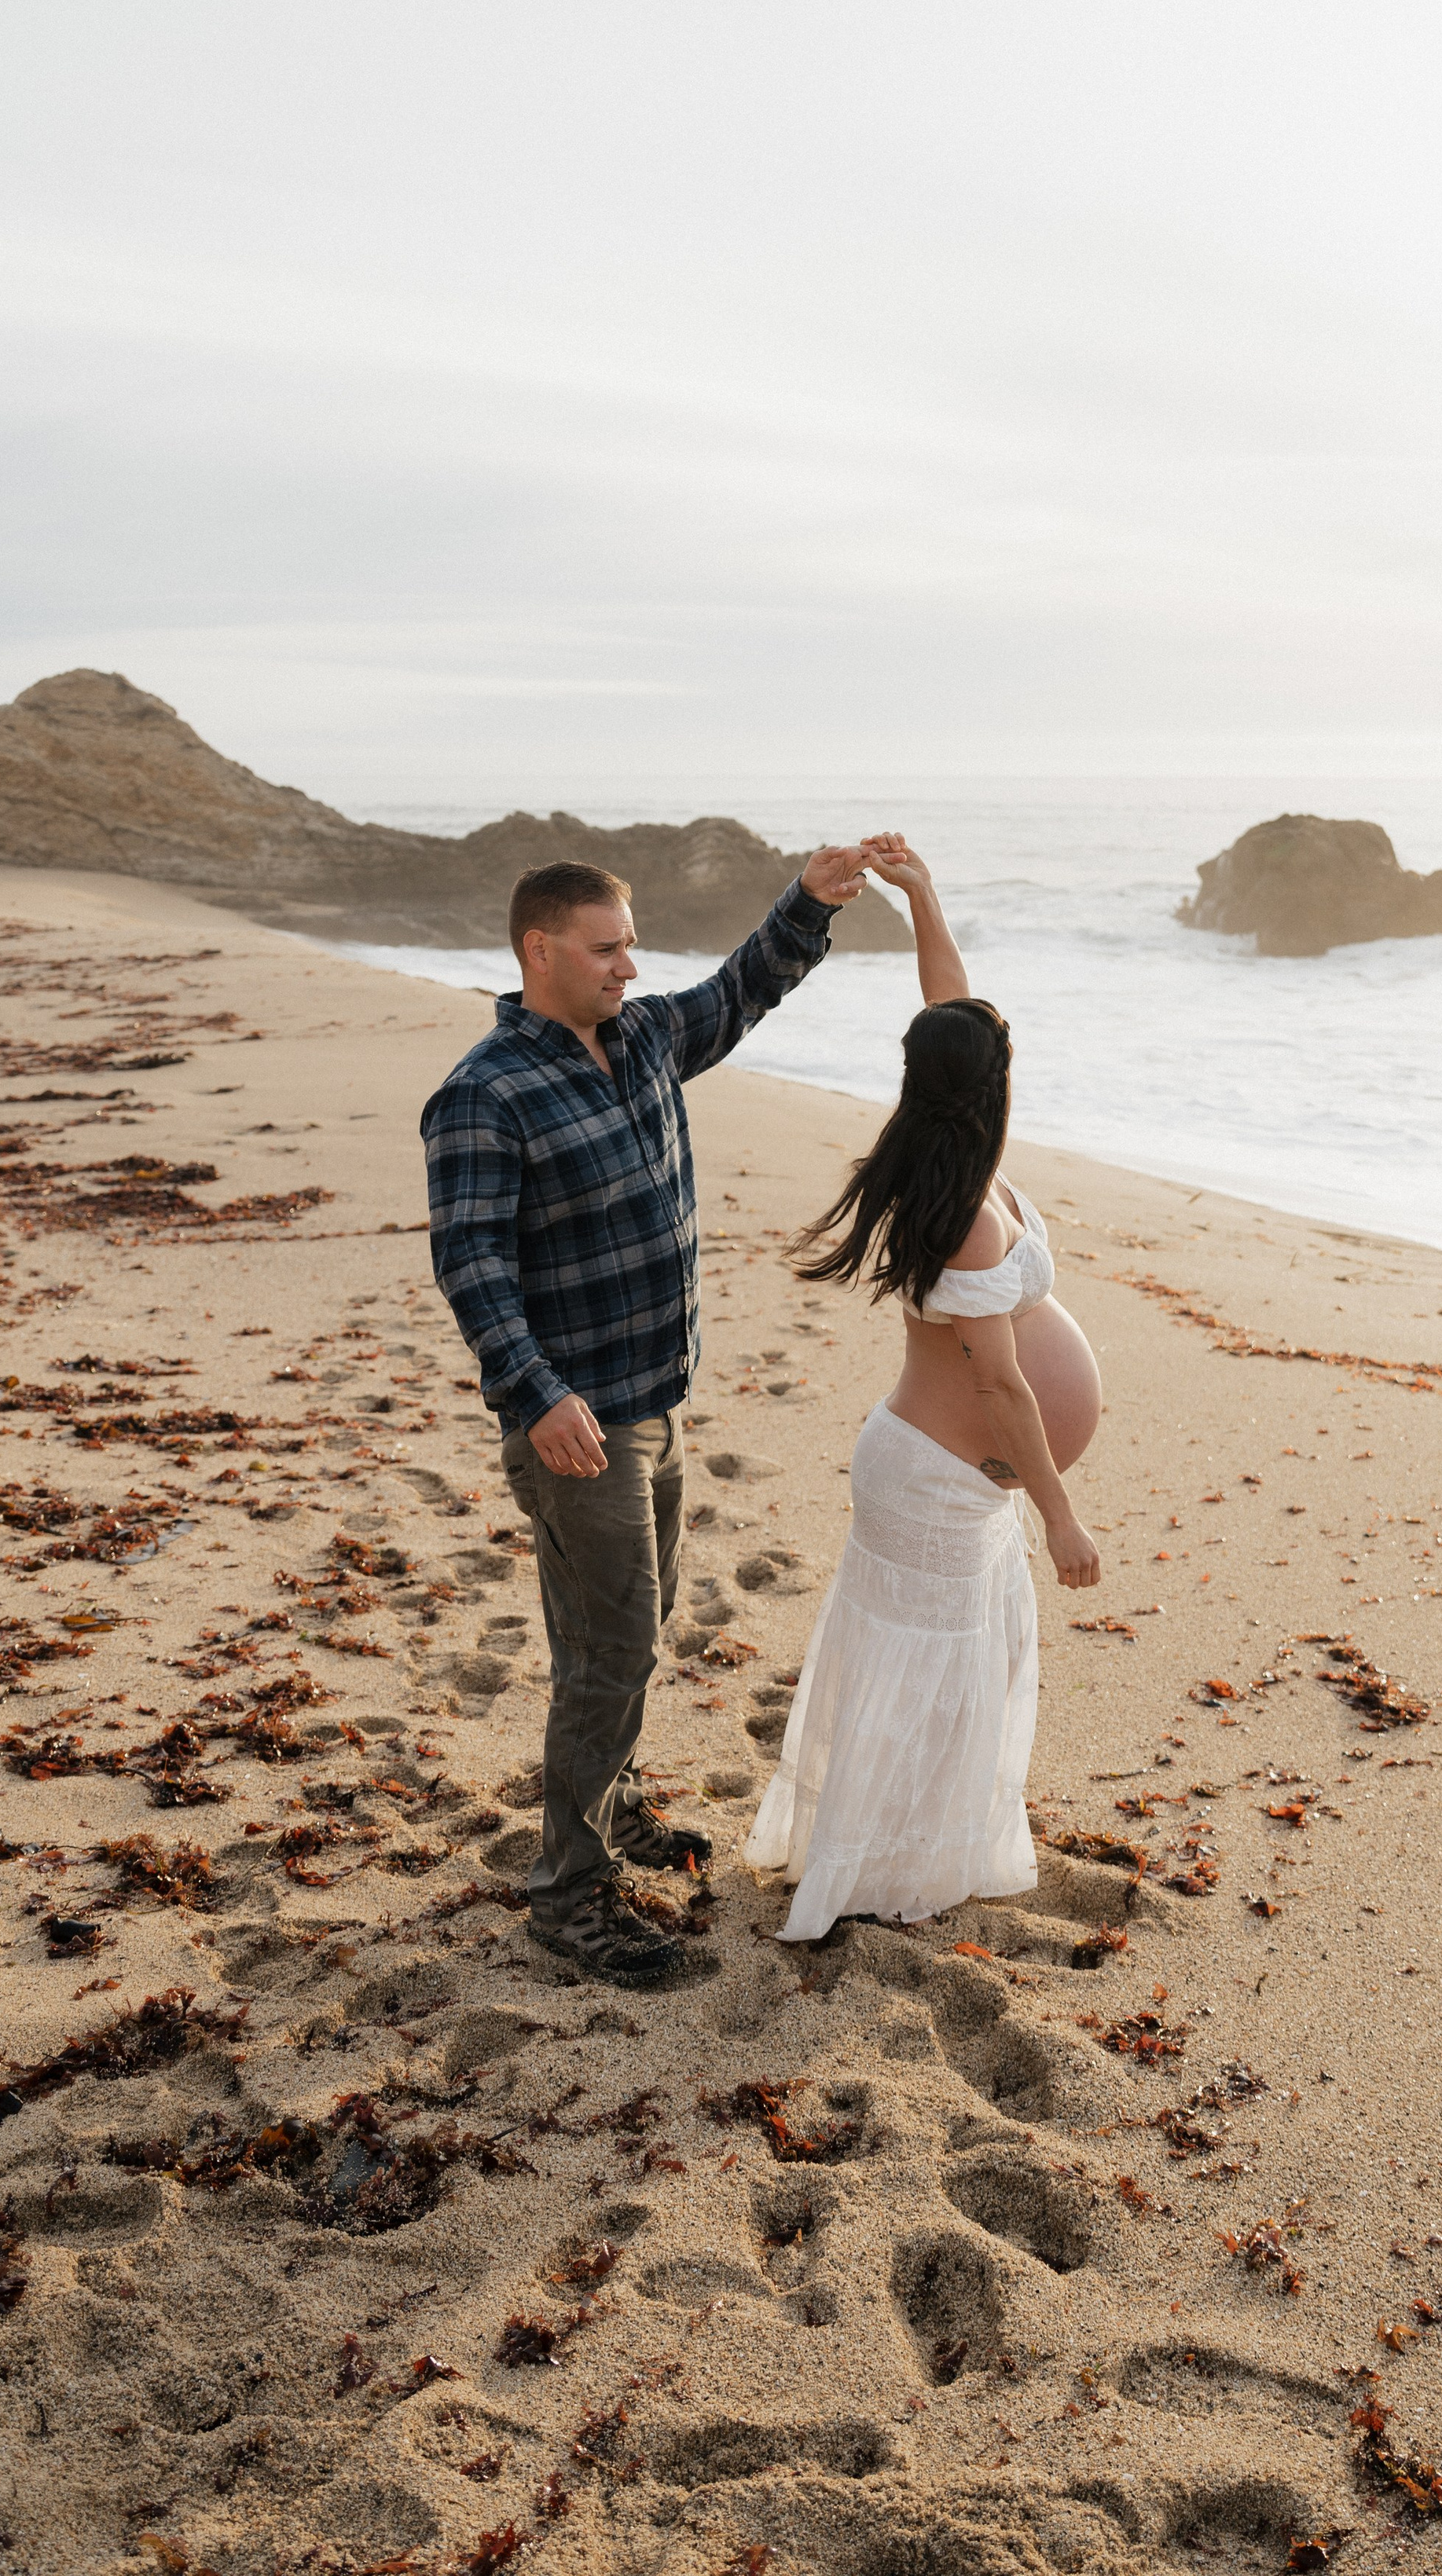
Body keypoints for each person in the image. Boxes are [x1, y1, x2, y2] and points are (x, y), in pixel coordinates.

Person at [422, 843, 874, 1986]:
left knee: (630, 1628)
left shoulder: (644, 1040)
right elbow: (470, 1262)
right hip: (577, 1425)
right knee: (611, 1650)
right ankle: (570, 1899)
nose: (631, 963)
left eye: (632, 941)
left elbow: (741, 988)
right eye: (609, 945)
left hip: (654, 1400)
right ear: (542, 950)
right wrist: (537, 1397)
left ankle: (608, 1815)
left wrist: (809, 901)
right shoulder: (485, 1093)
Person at [744, 837, 1104, 1937]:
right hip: (941, 1477)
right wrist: (1060, 1513)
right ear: (985, 1086)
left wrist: (925, 897)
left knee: (949, 1685)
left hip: (943, 1480)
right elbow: (1000, 1390)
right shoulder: (963, 1210)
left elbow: (951, 1011)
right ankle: (880, 1876)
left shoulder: (951, 1147)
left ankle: (912, 1859)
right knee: (927, 1692)